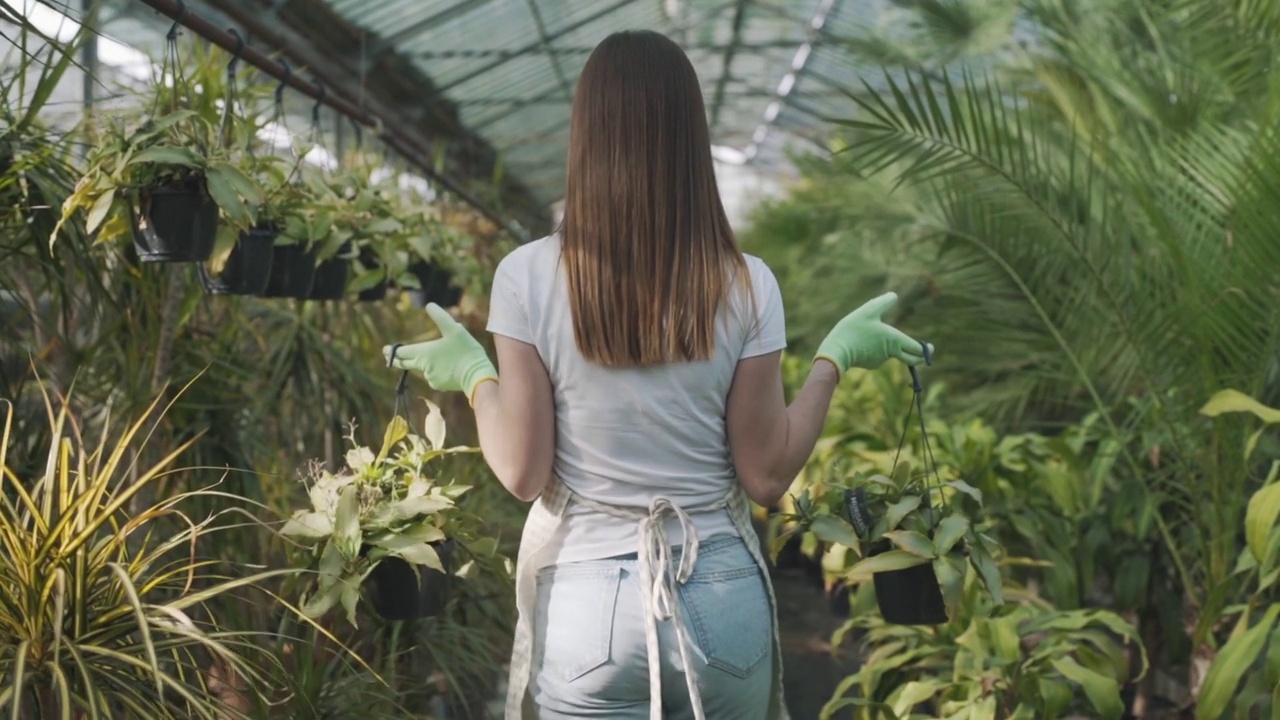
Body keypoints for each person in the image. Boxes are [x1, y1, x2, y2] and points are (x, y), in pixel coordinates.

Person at [384, 30, 931, 720]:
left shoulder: (526, 275)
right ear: (687, 137)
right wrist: (832, 362)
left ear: (586, 133)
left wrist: (474, 375)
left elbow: (522, 473)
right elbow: (766, 478)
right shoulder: (746, 282)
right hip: (721, 591)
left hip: (588, 607)